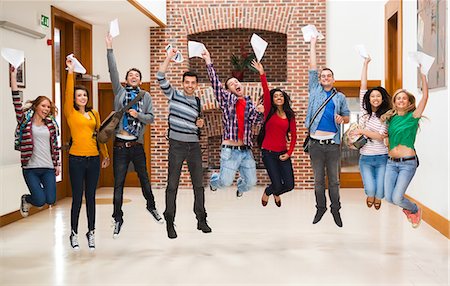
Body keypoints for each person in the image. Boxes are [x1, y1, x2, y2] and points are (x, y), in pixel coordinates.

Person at [106, 33, 163, 239]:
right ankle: (117, 218)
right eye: (131, 75)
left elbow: (150, 118)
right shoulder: (119, 92)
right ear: (126, 79)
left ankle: (152, 207)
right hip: (120, 145)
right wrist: (109, 48)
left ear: (140, 80)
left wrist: (137, 114)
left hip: (137, 146)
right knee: (118, 183)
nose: (134, 77)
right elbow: (113, 70)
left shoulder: (145, 96)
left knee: (145, 180)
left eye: (137, 75)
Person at [156, 47, 212, 239]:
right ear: (182, 83)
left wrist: (201, 123)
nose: (189, 85)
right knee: (172, 185)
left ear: (196, 85)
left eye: (193, 83)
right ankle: (170, 221)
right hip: (177, 146)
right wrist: (168, 58)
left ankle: (201, 219)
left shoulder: (197, 101)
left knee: (198, 185)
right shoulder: (174, 95)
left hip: (194, 146)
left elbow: (198, 124)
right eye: (186, 82)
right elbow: (160, 76)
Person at [201, 48, 263, 198]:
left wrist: (261, 111)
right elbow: (215, 83)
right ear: (228, 90)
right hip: (230, 150)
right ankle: (214, 180)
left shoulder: (249, 103)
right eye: (231, 83)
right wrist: (208, 61)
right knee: (224, 182)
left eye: (237, 81)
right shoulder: (226, 99)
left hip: (246, 150)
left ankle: (241, 188)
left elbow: (256, 121)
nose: (235, 83)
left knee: (251, 182)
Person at [65, 58, 110, 250]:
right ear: (74, 99)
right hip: (76, 159)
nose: (82, 98)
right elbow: (67, 93)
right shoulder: (70, 113)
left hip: (92, 159)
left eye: (84, 95)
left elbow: (100, 135)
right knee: (77, 197)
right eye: (79, 95)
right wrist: (70, 71)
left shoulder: (94, 114)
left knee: (91, 197)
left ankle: (91, 232)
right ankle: (73, 233)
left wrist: (104, 154)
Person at [306, 36, 350, 227]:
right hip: (315, 144)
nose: (325, 78)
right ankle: (320, 207)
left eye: (328, 76)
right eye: (323, 76)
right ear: (319, 79)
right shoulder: (314, 90)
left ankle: (335, 209)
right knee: (318, 181)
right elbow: (312, 67)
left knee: (334, 181)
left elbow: (347, 117)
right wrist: (313, 44)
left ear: (333, 79)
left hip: (332, 145)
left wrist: (343, 119)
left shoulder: (340, 97)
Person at [381, 67, 428, 228]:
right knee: (389, 197)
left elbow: (425, 97)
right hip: (391, 163)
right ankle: (409, 209)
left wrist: (423, 76)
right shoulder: (390, 119)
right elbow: (386, 138)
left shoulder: (413, 116)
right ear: (394, 102)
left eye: (404, 99)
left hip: (408, 163)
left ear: (408, 102)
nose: (401, 100)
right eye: (398, 99)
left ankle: (414, 209)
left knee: (398, 198)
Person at [10, 66, 60, 218]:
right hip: (30, 167)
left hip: (48, 167)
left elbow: (55, 146)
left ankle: (34, 198)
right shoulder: (25, 120)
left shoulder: (51, 124)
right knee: (39, 201)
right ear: (36, 106)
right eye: (43, 106)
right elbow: (16, 101)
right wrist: (13, 75)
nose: (46, 109)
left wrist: (57, 164)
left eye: (48, 107)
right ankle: (26, 199)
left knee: (50, 199)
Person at [252, 60, 297, 207]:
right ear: (272, 99)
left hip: (283, 153)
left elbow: (295, 136)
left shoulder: (290, 115)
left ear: (284, 99)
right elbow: (265, 90)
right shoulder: (268, 113)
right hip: (268, 153)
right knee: (277, 184)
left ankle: (275, 192)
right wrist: (262, 73)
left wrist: (289, 153)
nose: (278, 97)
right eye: (276, 96)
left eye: (281, 96)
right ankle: (269, 191)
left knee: (289, 185)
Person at [354, 56, 391, 210]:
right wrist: (365, 64)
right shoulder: (364, 112)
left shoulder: (387, 115)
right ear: (368, 99)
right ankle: (370, 195)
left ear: (382, 99)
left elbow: (381, 136)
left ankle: (377, 197)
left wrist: (363, 130)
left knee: (381, 190)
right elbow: (363, 86)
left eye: (378, 96)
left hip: (382, 157)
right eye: (372, 96)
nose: (375, 98)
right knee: (370, 188)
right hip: (366, 158)